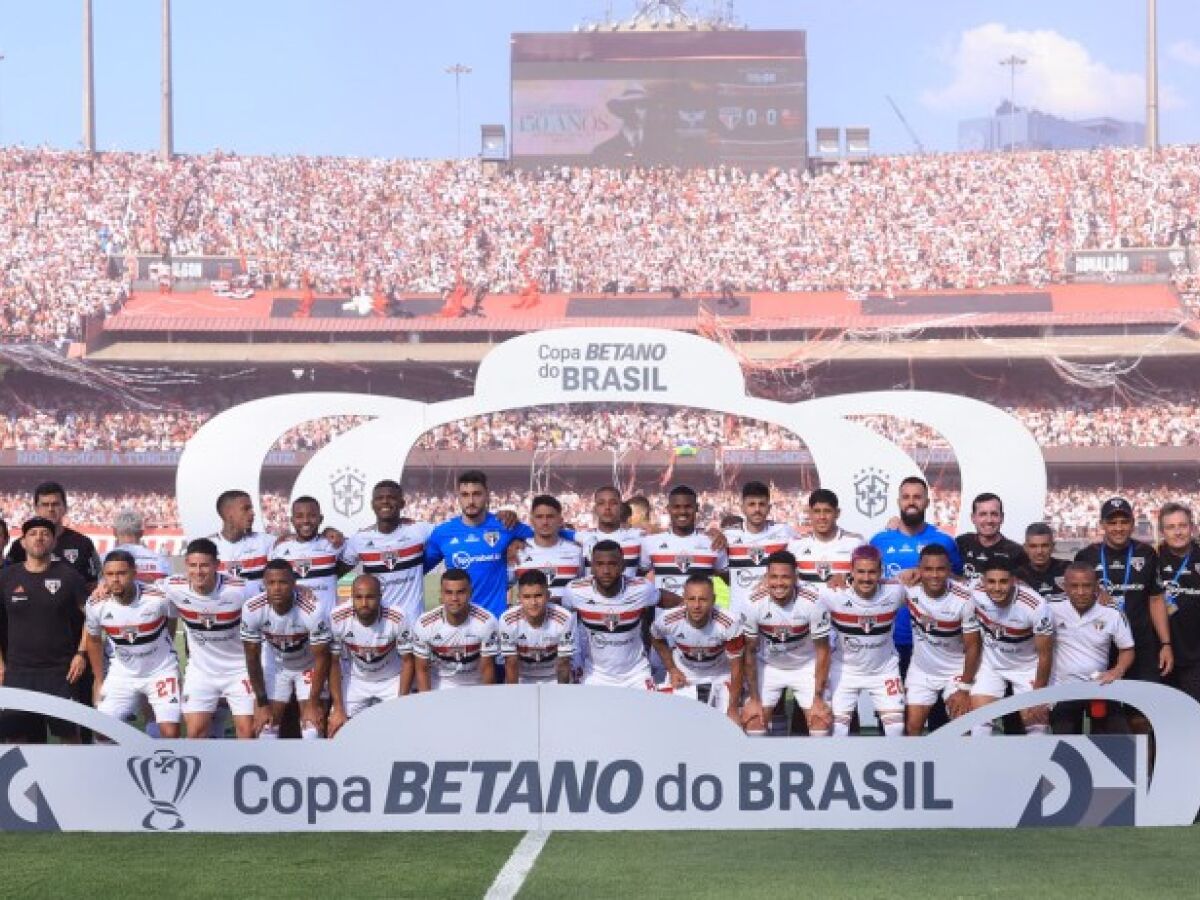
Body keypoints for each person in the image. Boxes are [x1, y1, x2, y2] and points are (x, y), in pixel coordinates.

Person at [1074, 497, 1173, 728]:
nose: (1118, 528)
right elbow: (1074, 601)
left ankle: (1144, 764)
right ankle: (1103, 763)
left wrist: (1166, 644)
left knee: (1144, 715)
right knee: (1102, 716)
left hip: (1142, 648)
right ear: (1102, 525)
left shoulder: (1147, 553)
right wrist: (1091, 597)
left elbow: (1156, 599)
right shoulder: (1086, 556)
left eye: (1124, 521)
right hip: (1102, 649)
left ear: (1132, 523)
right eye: (1112, 522)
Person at [0, 517, 90, 743]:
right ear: (22, 542)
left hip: (60, 673)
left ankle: (73, 779)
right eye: (33, 533)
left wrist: (81, 653)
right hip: (18, 672)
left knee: (69, 736)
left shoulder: (69, 577)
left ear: (53, 541)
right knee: (17, 740)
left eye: (45, 533)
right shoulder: (7, 577)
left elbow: (93, 617)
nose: (39, 537)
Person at [162, 538, 255, 739]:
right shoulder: (173, 586)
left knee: (248, 733)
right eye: (193, 565)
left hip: (239, 670)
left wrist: (298, 589)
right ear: (186, 564)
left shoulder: (240, 589)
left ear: (216, 565)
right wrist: (104, 589)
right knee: (195, 732)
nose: (198, 572)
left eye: (204, 565)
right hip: (201, 671)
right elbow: (141, 591)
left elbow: (269, 598)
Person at [869, 477, 962, 677]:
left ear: (927, 502)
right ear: (898, 502)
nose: (911, 502)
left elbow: (960, 583)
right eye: (906, 497)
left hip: (934, 639)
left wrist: (925, 574)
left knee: (935, 707)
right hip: (889, 639)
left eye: (917, 497)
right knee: (891, 705)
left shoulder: (944, 541)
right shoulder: (879, 540)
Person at [84, 550, 181, 738]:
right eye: (110, 575)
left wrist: (168, 648)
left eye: (121, 573)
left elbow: (173, 617)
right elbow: (94, 640)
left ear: (134, 573)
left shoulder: (159, 598)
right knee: (101, 732)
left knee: (170, 732)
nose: (115, 579)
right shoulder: (96, 604)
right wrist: (98, 679)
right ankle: (116, 767)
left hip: (161, 672)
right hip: (122, 674)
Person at [740, 551, 833, 737]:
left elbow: (823, 651)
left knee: (820, 724)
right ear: (766, 578)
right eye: (773, 577)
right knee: (754, 724)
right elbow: (748, 652)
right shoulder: (751, 603)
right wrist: (754, 699)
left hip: (806, 666)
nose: (779, 583)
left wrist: (818, 698)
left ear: (796, 578)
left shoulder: (814, 602)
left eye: (785, 577)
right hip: (768, 666)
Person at [561, 540, 677, 689]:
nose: (606, 570)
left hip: (636, 674)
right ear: (592, 567)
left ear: (622, 566)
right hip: (593, 675)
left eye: (612, 564)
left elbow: (675, 602)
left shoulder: (642, 589)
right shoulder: (574, 591)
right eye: (600, 564)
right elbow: (560, 619)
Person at [821, 545, 908, 737]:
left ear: (880, 572)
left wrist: (916, 571)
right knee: (837, 731)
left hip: (884, 670)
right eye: (860, 572)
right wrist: (764, 580)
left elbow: (929, 584)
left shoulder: (896, 591)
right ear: (851, 571)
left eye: (872, 572)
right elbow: (795, 591)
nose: (866, 578)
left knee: (896, 729)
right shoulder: (833, 593)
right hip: (844, 670)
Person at [240, 560, 332, 740]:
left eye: (283, 582)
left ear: (293, 584)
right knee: (265, 729)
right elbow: (252, 658)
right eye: (271, 583)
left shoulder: (312, 610)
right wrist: (262, 702)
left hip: (308, 666)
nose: (277, 588)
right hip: (276, 666)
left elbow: (322, 659)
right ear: (264, 585)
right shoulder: (252, 609)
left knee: (312, 729)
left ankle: (312, 768)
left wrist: (313, 704)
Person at [424, 471, 535, 619]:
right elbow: (417, 569)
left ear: (487, 495)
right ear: (458, 497)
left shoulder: (505, 524)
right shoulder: (443, 533)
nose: (470, 501)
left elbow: (545, 538)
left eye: (476, 494)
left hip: (495, 621)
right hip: (460, 622)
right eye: (465, 495)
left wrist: (519, 541)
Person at [968, 559, 1055, 736]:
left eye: (1003, 581)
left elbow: (1045, 655)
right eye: (991, 582)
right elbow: (950, 581)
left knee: (1037, 732)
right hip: (991, 666)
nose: (997, 588)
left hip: (1028, 668)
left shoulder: (1036, 606)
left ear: (1014, 581)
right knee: (978, 727)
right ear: (983, 581)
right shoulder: (974, 591)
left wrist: (1038, 696)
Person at [903, 545, 982, 736]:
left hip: (954, 671)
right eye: (928, 569)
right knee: (912, 727)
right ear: (919, 569)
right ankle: (916, 765)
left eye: (940, 569)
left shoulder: (964, 599)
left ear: (949, 570)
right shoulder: (908, 591)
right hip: (921, 670)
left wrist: (964, 688)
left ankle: (961, 766)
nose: (934, 575)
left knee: (962, 727)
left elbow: (973, 647)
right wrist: (843, 578)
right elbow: (876, 584)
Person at [1049, 562, 1134, 735]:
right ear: (1065, 587)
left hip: (1100, 686)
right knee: (1065, 749)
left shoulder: (1112, 612)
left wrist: (1117, 671)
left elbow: (1127, 649)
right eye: (1074, 586)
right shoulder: (1049, 607)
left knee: (1121, 742)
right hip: (1063, 688)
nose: (1080, 592)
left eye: (1086, 586)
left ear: (1096, 586)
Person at [650, 574, 744, 721]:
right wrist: (672, 669)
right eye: (691, 599)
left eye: (703, 599)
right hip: (684, 675)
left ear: (713, 599)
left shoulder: (729, 623)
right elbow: (655, 637)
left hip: (719, 676)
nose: (696, 605)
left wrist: (733, 709)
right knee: (668, 720)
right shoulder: (667, 619)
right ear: (684, 599)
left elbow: (737, 668)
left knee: (725, 724)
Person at [327, 575, 412, 736]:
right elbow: (333, 663)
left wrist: (402, 702)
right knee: (335, 728)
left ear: (380, 597)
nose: (364, 603)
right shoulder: (338, 618)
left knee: (403, 729)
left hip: (391, 680)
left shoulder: (397, 617)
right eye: (358, 597)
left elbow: (408, 661)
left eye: (370, 597)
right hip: (356, 680)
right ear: (352, 597)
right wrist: (338, 708)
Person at [340, 481, 434, 627]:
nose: (385, 501)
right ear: (372, 504)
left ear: (402, 503)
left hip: (413, 625)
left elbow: (450, 534)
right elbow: (333, 573)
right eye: (379, 498)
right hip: (378, 628)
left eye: (391, 497)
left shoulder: (419, 531)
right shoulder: (359, 540)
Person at [411, 569, 500, 690]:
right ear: (441, 594)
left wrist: (486, 700)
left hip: (475, 685)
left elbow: (487, 669)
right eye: (448, 592)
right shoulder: (424, 624)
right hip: (440, 684)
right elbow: (422, 669)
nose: (454, 598)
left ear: (470, 593)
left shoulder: (487, 622)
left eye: (461, 592)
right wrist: (427, 704)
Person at [6, 482, 100, 589]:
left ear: (65, 508)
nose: (50, 509)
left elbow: (95, 582)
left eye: (55, 504)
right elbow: (8, 580)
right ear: (36, 509)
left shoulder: (83, 543)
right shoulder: (20, 545)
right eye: (45, 505)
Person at [640, 485, 728, 596]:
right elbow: (638, 578)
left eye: (688, 507)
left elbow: (730, 580)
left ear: (697, 507)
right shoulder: (650, 543)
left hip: (701, 612)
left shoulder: (713, 543)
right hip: (662, 613)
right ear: (668, 509)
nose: (682, 511)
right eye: (676, 507)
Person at [723, 481, 794, 619]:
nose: (757, 509)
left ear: (769, 507)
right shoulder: (728, 537)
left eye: (762, 504)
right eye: (751, 504)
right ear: (742, 508)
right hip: (740, 617)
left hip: (776, 617)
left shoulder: (784, 532)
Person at [272, 495, 346, 619]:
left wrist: (329, 530)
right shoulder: (279, 550)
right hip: (294, 625)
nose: (306, 521)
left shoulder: (333, 544)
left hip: (327, 624)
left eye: (312, 516)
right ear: (292, 520)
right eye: (299, 516)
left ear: (320, 519)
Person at [499, 570, 575, 685]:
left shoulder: (564, 618)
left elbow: (563, 663)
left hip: (553, 678)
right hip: (522, 678)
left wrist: (561, 695)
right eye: (527, 597)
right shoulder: (507, 620)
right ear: (519, 597)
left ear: (548, 596)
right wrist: (513, 697)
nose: (533, 602)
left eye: (538, 595)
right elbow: (511, 664)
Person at [1158, 502, 1200, 704]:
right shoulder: (1151, 559)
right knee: (1160, 722)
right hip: (1160, 656)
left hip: (1195, 657)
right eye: (1171, 527)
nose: (1178, 532)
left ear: (1192, 527)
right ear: (1162, 531)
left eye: (1182, 526)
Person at [508, 495, 584, 603]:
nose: (545, 522)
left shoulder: (576, 552)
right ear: (531, 521)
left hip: (568, 619)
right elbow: (502, 586)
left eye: (550, 516)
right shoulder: (517, 551)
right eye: (539, 517)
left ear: (560, 520)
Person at [788, 489, 862, 586]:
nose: (822, 517)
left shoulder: (856, 542)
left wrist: (847, 579)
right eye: (817, 511)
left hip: (843, 601)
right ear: (809, 513)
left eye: (827, 511)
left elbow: (867, 579)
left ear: (837, 513)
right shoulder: (796, 544)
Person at [208, 489, 277, 591]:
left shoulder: (267, 542)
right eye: (246, 509)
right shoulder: (207, 546)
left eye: (251, 508)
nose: (252, 513)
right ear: (228, 514)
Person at [956, 493, 1028, 585]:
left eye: (994, 514)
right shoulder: (961, 543)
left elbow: (1022, 588)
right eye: (983, 514)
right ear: (973, 518)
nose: (989, 520)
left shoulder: (1016, 552)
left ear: (1002, 517)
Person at [574, 486, 643, 577]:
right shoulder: (582, 539)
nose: (607, 507)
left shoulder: (638, 538)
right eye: (601, 503)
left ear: (621, 508)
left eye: (613, 503)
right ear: (595, 509)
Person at [1014, 523, 1069, 602]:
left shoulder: (1068, 570)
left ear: (1053, 546)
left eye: (1044, 546)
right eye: (1033, 546)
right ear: (1025, 548)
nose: (1039, 551)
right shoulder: (1017, 576)